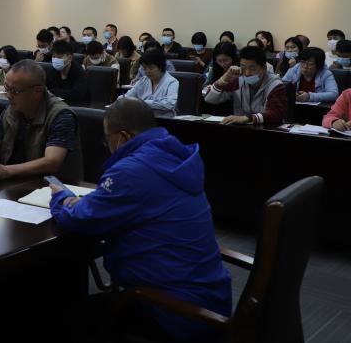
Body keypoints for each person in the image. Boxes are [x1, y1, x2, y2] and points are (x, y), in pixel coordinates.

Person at [49, 98, 231, 342]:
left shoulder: (131, 170)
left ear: (123, 137)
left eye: (107, 138)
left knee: (62, 319)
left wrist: (61, 198)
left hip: (173, 312)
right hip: (210, 297)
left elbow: (81, 220)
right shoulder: (173, 154)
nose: (107, 145)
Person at [204, 45, 286, 126]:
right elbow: (209, 99)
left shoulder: (276, 85)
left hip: (266, 129)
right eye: (243, 68)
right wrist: (223, 79)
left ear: (264, 68)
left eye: (252, 68)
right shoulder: (238, 80)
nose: (247, 73)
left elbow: (276, 114)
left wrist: (247, 118)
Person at [123, 49, 178, 117]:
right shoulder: (143, 81)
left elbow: (169, 104)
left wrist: (142, 102)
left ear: (160, 67)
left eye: (151, 68)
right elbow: (128, 95)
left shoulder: (172, 82)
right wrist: (121, 100)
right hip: (143, 118)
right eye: (144, 68)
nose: (147, 71)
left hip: (164, 120)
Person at [47, 39, 90, 106]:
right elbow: (46, 90)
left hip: (76, 106)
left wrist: (54, 91)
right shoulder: (52, 70)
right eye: (54, 57)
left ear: (70, 58)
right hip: (56, 105)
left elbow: (76, 94)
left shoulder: (79, 72)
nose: (55, 60)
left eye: (59, 57)